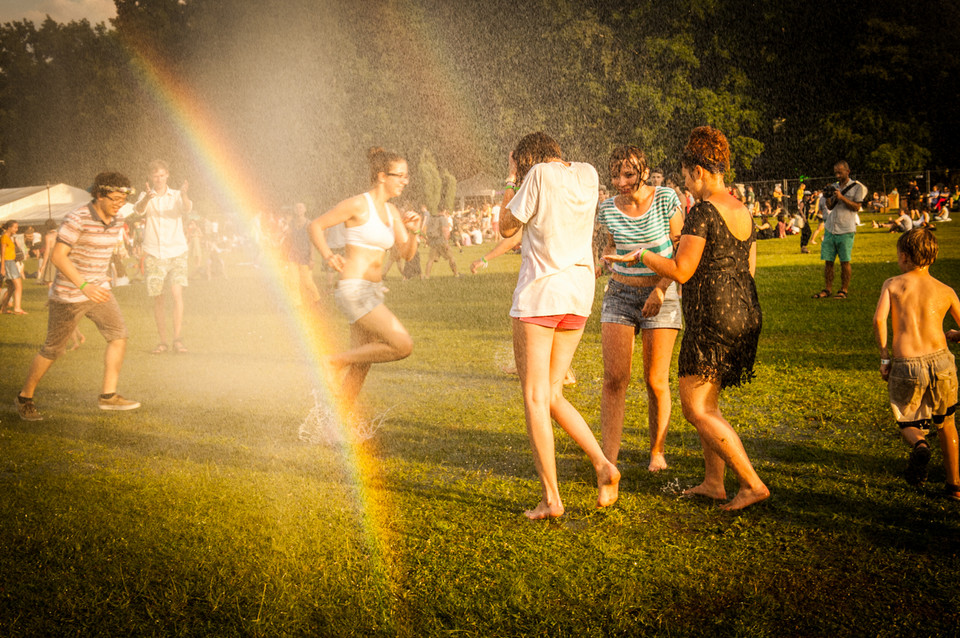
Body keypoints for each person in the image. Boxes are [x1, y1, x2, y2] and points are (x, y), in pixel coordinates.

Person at [610, 126, 768, 511]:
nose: (687, 186)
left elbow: (681, 270)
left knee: (695, 408)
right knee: (709, 403)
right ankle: (714, 482)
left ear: (699, 171)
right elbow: (749, 265)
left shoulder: (703, 212)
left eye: (686, 177)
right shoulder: (739, 208)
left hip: (712, 318)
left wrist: (641, 256)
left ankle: (751, 483)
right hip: (742, 312)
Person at [499, 131, 620, 520]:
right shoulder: (587, 172)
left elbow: (505, 226)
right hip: (579, 294)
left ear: (529, 159)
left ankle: (551, 499)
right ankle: (604, 465)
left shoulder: (535, 176)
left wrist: (512, 176)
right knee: (552, 394)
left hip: (541, 293)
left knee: (535, 397)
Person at [15, 172, 141, 421]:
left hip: (99, 290)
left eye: (123, 199)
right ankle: (24, 397)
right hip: (70, 294)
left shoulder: (117, 219)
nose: (119, 204)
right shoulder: (77, 218)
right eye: (115, 198)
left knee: (119, 336)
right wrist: (84, 285)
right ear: (99, 195)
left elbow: (138, 210)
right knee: (53, 350)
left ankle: (108, 397)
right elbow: (58, 256)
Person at [309, 147, 421, 407]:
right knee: (402, 345)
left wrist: (414, 231)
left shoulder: (392, 212)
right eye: (400, 175)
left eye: (406, 176)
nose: (405, 181)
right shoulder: (359, 204)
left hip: (373, 290)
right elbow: (314, 225)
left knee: (362, 362)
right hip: (354, 289)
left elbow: (406, 254)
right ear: (382, 176)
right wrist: (328, 255)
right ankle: (332, 361)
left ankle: (335, 427)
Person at [597, 145, 683, 472]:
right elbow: (611, 245)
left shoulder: (665, 199)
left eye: (629, 174)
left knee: (655, 380)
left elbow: (679, 248)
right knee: (614, 379)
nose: (621, 181)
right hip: (620, 293)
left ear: (643, 172)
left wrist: (661, 289)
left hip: (661, 293)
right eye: (616, 175)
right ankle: (609, 459)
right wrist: (600, 263)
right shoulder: (607, 208)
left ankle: (657, 453)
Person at [872, 228, 960, 498]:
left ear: (904, 256)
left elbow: (879, 320)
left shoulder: (894, 284)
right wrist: (956, 334)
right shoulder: (945, 290)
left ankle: (920, 446)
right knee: (946, 423)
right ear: (932, 257)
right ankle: (954, 485)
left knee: (908, 421)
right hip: (942, 362)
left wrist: (885, 356)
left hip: (907, 363)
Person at [134, 159, 193, 353]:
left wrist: (184, 195)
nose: (158, 179)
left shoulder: (176, 195)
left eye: (162, 175)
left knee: (177, 294)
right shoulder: (146, 195)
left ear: (167, 174)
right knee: (158, 299)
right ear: (150, 177)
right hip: (154, 253)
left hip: (177, 252)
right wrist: (147, 198)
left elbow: (186, 208)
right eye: (155, 176)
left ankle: (178, 339)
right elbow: (138, 210)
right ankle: (163, 341)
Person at [811, 161, 866, 300]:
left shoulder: (856, 188)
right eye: (835, 172)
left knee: (844, 262)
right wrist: (828, 197)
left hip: (846, 229)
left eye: (840, 172)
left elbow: (857, 207)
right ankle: (827, 289)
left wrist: (842, 198)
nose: (837, 175)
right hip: (830, 228)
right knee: (828, 261)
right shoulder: (834, 186)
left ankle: (843, 290)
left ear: (848, 171)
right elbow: (830, 207)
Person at [1, 220, 27, 314]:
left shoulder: (9, 237)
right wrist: (3, 267)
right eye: (15, 227)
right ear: (9, 228)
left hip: (11, 262)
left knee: (11, 288)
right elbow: (2, 253)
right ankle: (17, 308)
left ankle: (3, 309)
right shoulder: (4, 238)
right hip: (8, 263)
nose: (17, 229)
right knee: (18, 286)